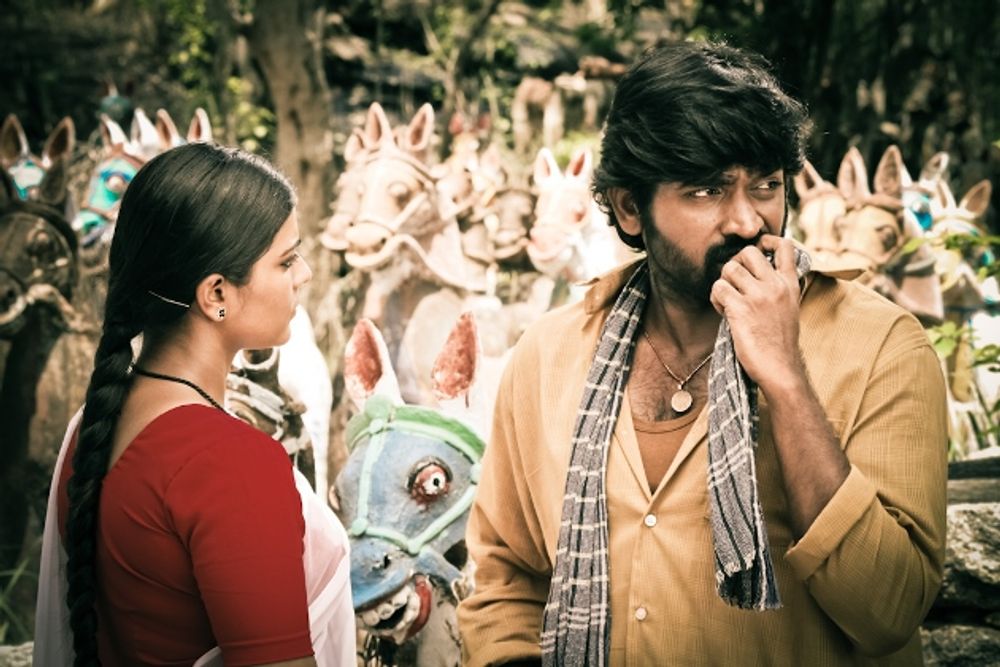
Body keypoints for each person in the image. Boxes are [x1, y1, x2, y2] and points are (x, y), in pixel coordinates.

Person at [458, 40, 947, 666]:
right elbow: (506, 577)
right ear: (631, 208)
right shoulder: (548, 355)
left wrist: (787, 380)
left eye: (766, 185)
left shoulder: (882, 346)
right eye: (706, 191)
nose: (747, 221)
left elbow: (891, 611)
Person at [34, 142, 356, 666]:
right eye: (286, 260)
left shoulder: (95, 425)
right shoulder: (229, 464)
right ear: (216, 295)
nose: (305, 274)